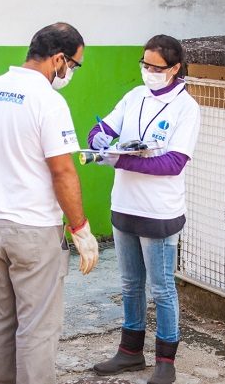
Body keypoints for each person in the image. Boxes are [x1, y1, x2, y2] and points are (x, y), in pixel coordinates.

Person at [0, 22, 99, 384]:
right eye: (73, 65)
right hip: (33, 230)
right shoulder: (48, 101)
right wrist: (80, 228)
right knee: (37, 326)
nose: (70, 72)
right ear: (58, 59)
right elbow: (63, 172)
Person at [88, 34, 201, 384]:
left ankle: (165, 360)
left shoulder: (187, 108)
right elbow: (100, 128)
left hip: (159, 212)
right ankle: (129, 352)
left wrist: (120, 160)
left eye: (156, 67)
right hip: (124, 206)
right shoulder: (134, 97)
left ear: (175, 68)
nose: (149, 71)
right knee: (130, 283)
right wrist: (99, 140)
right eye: (145, 64)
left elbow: (173, 163)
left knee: (162, 287)